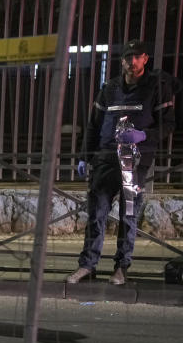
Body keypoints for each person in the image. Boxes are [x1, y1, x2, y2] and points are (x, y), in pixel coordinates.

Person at [67, 39, 176, 286]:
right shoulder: (109, 88)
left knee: (128, 216)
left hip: (134, 163)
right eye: (128, 57)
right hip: (105, 159)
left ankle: (121, 268)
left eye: (137, 57)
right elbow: (94, 124)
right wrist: (85, 155)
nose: (132, 62)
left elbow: (168, 124)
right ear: (122, 61)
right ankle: (87, 265)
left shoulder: (156, 87)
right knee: (96, 214)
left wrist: (145, 135)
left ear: (145, 59)